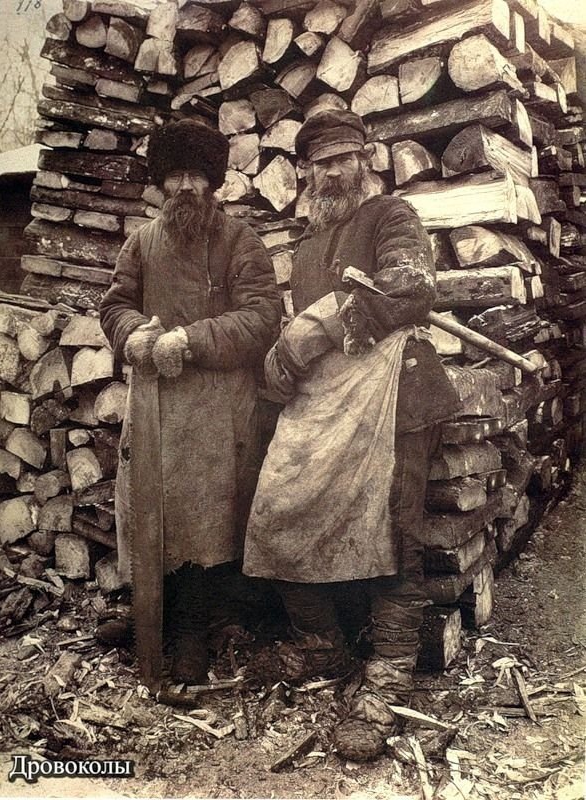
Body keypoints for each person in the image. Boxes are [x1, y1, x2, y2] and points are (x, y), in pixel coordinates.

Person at [243, 110, 459, 761]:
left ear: (366, 160)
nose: (333, 172)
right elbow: (300, 337)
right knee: (279, 512)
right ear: (305, 172)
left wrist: (318, 325)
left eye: (343, 159)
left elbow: (410, 286)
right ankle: (322, 650)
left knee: (394, 530)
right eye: (321, 163)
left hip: (396, 400)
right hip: (327, 408)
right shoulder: (308, 244)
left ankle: (386, 681)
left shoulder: (391, 216)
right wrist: (282, 355)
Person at [98, 119, 281, 684]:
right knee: (147, 508)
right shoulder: (141, 242)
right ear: (160, 182)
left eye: (196, 175)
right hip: (152, 405)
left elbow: (262, 316)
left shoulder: (239, 241)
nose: (184, 187)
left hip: (216, 408)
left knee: (204, 522)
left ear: (213, 181)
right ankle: (149, 614)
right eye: (174, 175)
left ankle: (192, 631)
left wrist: (191, 340)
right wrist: (132, 334)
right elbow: (114, 305)